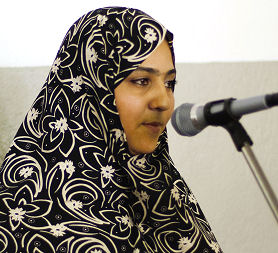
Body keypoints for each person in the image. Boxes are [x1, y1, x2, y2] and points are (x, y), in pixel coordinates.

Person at [0, 7, 222, 253]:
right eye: (141, 81)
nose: (164, 101)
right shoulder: (31, 215)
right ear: (93, 87)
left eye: (169, 83)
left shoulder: (163, 188)